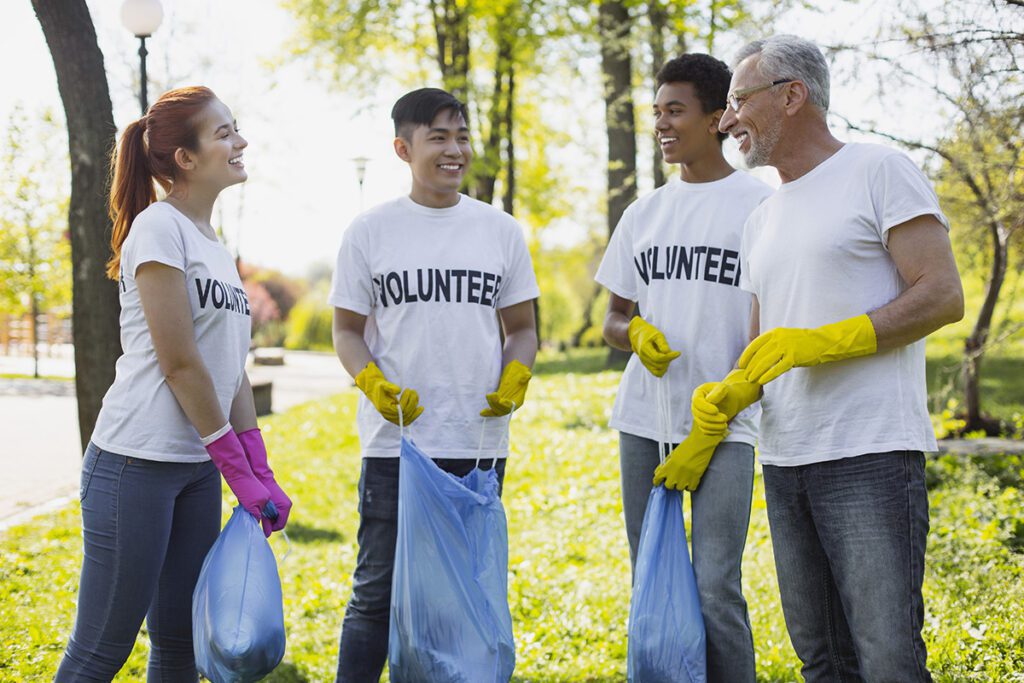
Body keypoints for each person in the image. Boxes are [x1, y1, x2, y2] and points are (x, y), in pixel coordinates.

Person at [693, 35, 963, 682]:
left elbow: (943, 294)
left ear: (792, 96)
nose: (726, 119)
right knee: (822, 660)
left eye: (737, 101)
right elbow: (764, 346)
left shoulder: (878, 170)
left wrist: (828, 340)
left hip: (869, 454)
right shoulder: (762, 216)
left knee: (888, 657)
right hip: (786, 461)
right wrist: (731, 391)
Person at [55, 86, 292, 681]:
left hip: (195, 468)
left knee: (182, 644)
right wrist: (236, 467)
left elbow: (228, 363)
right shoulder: (159, 229)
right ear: (185, 159)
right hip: (135, 464)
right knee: (102, 649)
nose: (240, 143)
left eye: (236, 130)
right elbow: (180, 361)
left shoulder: (216, 247)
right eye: (224, 133)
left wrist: (256, 464)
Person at [329, 87, 540, 683]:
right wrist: (370, 381)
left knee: (464, 594)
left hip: (477, 443)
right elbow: (345, 330)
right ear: (403, 148)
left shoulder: (499, 231)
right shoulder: (369, 232)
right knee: (375, 592)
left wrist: (514, 375)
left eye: (462, 136)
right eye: (439, 137)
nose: (455, 150)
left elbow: (521, 328)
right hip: (396, 444)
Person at [594, 53, 772, 682]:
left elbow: (770, 326)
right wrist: (634, 331)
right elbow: (612, 318)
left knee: (715, 584)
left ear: (719, 117)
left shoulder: (761, 206)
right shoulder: (645, 214)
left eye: (676, 111)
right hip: (645, 420)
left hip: (727, 425)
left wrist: (724, 410)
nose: (663, 125)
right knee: (653, 574)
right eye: (657, 113)